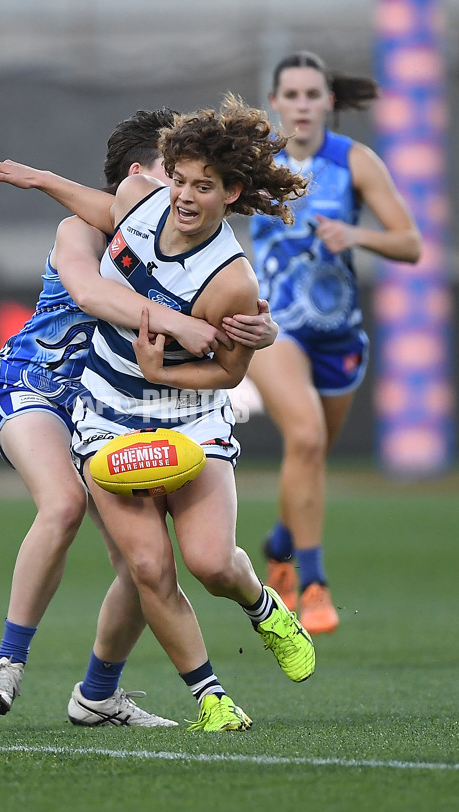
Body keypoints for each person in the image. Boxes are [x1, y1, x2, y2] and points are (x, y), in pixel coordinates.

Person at [0, 92, 315, 732]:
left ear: (231, 192)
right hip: (99, 408)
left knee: (210, 563)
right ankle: (207, 698)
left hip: (187, 414)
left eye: (199, 185)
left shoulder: (232, 280)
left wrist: (180, 361)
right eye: (176, 178)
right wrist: (37, 177)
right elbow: (96, 261)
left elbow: (232, 372)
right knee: (146, 564)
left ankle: (261, 606)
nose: (181, 194)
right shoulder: (133, 210)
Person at [234, 51, 422, 635]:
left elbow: (410, 244)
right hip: (274, 327)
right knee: (307, 436)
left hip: (339, 333)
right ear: (275, 101)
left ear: (329, 102)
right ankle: (309, 583)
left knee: (311, 455)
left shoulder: (355, 162)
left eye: (312, 94)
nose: (301, 105)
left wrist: (356, 234)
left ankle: (280, 542)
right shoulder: (256, 163)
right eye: (290, 94)